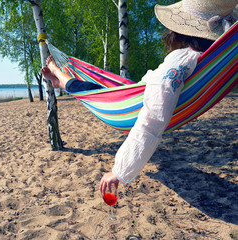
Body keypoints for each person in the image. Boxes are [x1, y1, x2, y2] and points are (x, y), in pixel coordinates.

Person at [41, 0, 238, 195]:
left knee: (93, 91)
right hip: (134, 94)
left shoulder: (179, 61)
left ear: (180, 30)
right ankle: (64, 81)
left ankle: (61, 78)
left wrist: (120, 170)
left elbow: (152, 120)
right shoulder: (204, 58)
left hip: (138, 103)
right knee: (99, 89)